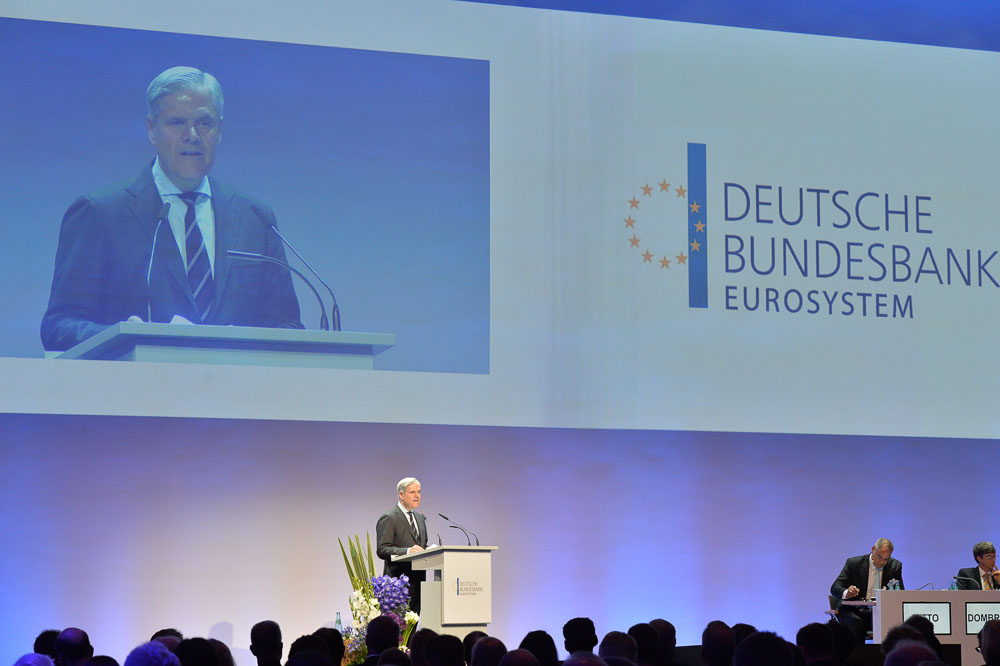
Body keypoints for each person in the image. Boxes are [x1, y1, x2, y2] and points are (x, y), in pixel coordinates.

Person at [41, 65, 302, 352]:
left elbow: (287, 325)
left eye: (204, 123)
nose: (192, 135)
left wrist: (244, 342)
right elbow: (58, 326)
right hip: (140, 379)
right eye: (177, 123)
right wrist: (127, 338)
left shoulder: (255, 218)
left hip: (235, 379)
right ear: (152, 130)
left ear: (219, 130)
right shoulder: (100, 214)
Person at [830, 538, 904, 642]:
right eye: (879, 557)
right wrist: (847, 593)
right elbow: (835, 587)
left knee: (891, 624)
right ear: (873, 549)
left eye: (886, 559)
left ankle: (884, 652)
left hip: (878, 612)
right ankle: (858, 652)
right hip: (852, 610)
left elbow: (900, 592)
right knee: (857, 624)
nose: (882, 562)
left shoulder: (895, 566)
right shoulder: (854, 564)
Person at [376, 477, 429, 613]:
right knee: (398, 625)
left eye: (419, 492)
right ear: (401, 494)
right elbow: (382, 549)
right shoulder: (389, 517)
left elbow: (421, 546)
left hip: (418, 584)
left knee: (414, 624)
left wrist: (430, 549)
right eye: (412, 492)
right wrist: (407, 551)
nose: (417, 496)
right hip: (397, 587)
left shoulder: (420, 518)